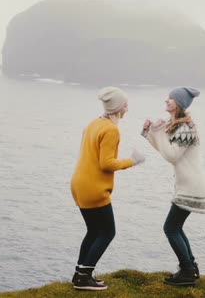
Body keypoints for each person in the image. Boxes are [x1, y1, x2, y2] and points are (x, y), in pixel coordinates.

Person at [70, 86, 145, 291]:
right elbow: (106, 163)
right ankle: (84, 277)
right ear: (119, 107)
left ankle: (80, 273)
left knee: (93, 230)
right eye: (126, 105)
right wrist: (133, 161)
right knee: (107, 232)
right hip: (94, 187)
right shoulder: (111, 129)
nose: (127, 108)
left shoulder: (94, 123)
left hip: (79, 184)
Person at [141, 87, 205, 287]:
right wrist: (150, 131)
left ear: (179, 103)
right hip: (189, 184)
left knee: (170, 227)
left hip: (191, 186)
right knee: (176, 226)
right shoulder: (177, 125)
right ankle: (190, 268)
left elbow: (171, 155)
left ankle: (188, 271)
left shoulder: (186, 128)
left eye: (171, 98)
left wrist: (155, 130)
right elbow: (166, 149)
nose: (166, 100)